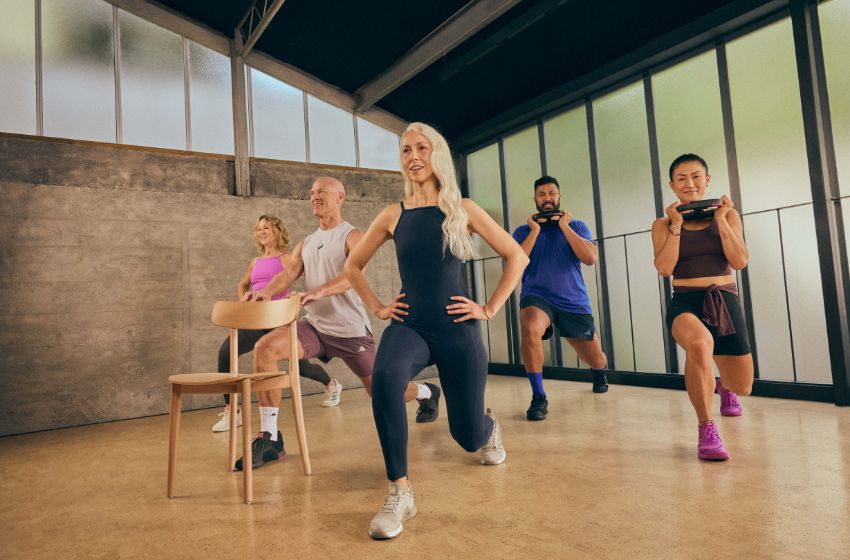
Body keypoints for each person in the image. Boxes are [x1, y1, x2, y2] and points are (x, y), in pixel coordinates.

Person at [344, 122, 528, 540]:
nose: (413, 157)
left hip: (456, 328)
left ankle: (487, 427)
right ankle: (399, 491)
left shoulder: (463, 208)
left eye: (421, 148)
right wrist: (377, 306)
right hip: (410, 324)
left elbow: (516, 256)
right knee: (386, 378)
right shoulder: (394, 215)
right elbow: (352, 266)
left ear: (437, 154)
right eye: (406, 150)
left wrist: (489, 307)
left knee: (466, 436)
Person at [238, 177, 439, 469]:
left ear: (340, 197)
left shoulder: (353, 236)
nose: (314, 196)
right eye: (311, 193)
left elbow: (351, 276)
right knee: (265, 349)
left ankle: (426, 392)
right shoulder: (307, 243)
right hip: (316, 326)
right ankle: (270, 438)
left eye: (321, 191)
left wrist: (318, 291)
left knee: (380, 391)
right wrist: (265, 292)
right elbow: (287, 274)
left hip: (349, 331)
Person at [651, 153, 753, 461]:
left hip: (724, 297)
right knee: (699, 344)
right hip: (685, 301)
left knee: (742, 385)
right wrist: (676, 226)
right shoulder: (662, 224)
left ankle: (725, 387)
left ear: (706, 180)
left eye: (696, 176)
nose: (689, 183)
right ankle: (706, 427)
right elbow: (665, 268)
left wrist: (721, 220)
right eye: (681, 178)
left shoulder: (729, 216)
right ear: (672, 185)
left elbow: (739, 261)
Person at [210, 215, 337, 433]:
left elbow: (291, 281)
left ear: (277, 230)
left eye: (266, 227)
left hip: (278, 320)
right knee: (226, 352)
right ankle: (232, 411)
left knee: (301, 368)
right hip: (255, 319)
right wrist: (245, 296)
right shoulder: (255, 262)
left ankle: (330, 384)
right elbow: (242, 284)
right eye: (258, 228)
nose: (261, 231)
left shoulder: (287, 259)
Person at [512, 176, 609, 421]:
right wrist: (534, 232)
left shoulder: (577, 226)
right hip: (537, 296)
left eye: (551, 193)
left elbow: (590, 258)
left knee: (596, 358)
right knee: (531, 327)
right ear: (535, 199)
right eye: (542, 194)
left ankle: (598, 372)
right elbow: (516, 263)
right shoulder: (523, 231)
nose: (547, 198)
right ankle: (539, 396)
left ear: (559, 196)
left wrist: (565, 227)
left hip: (572, 302)